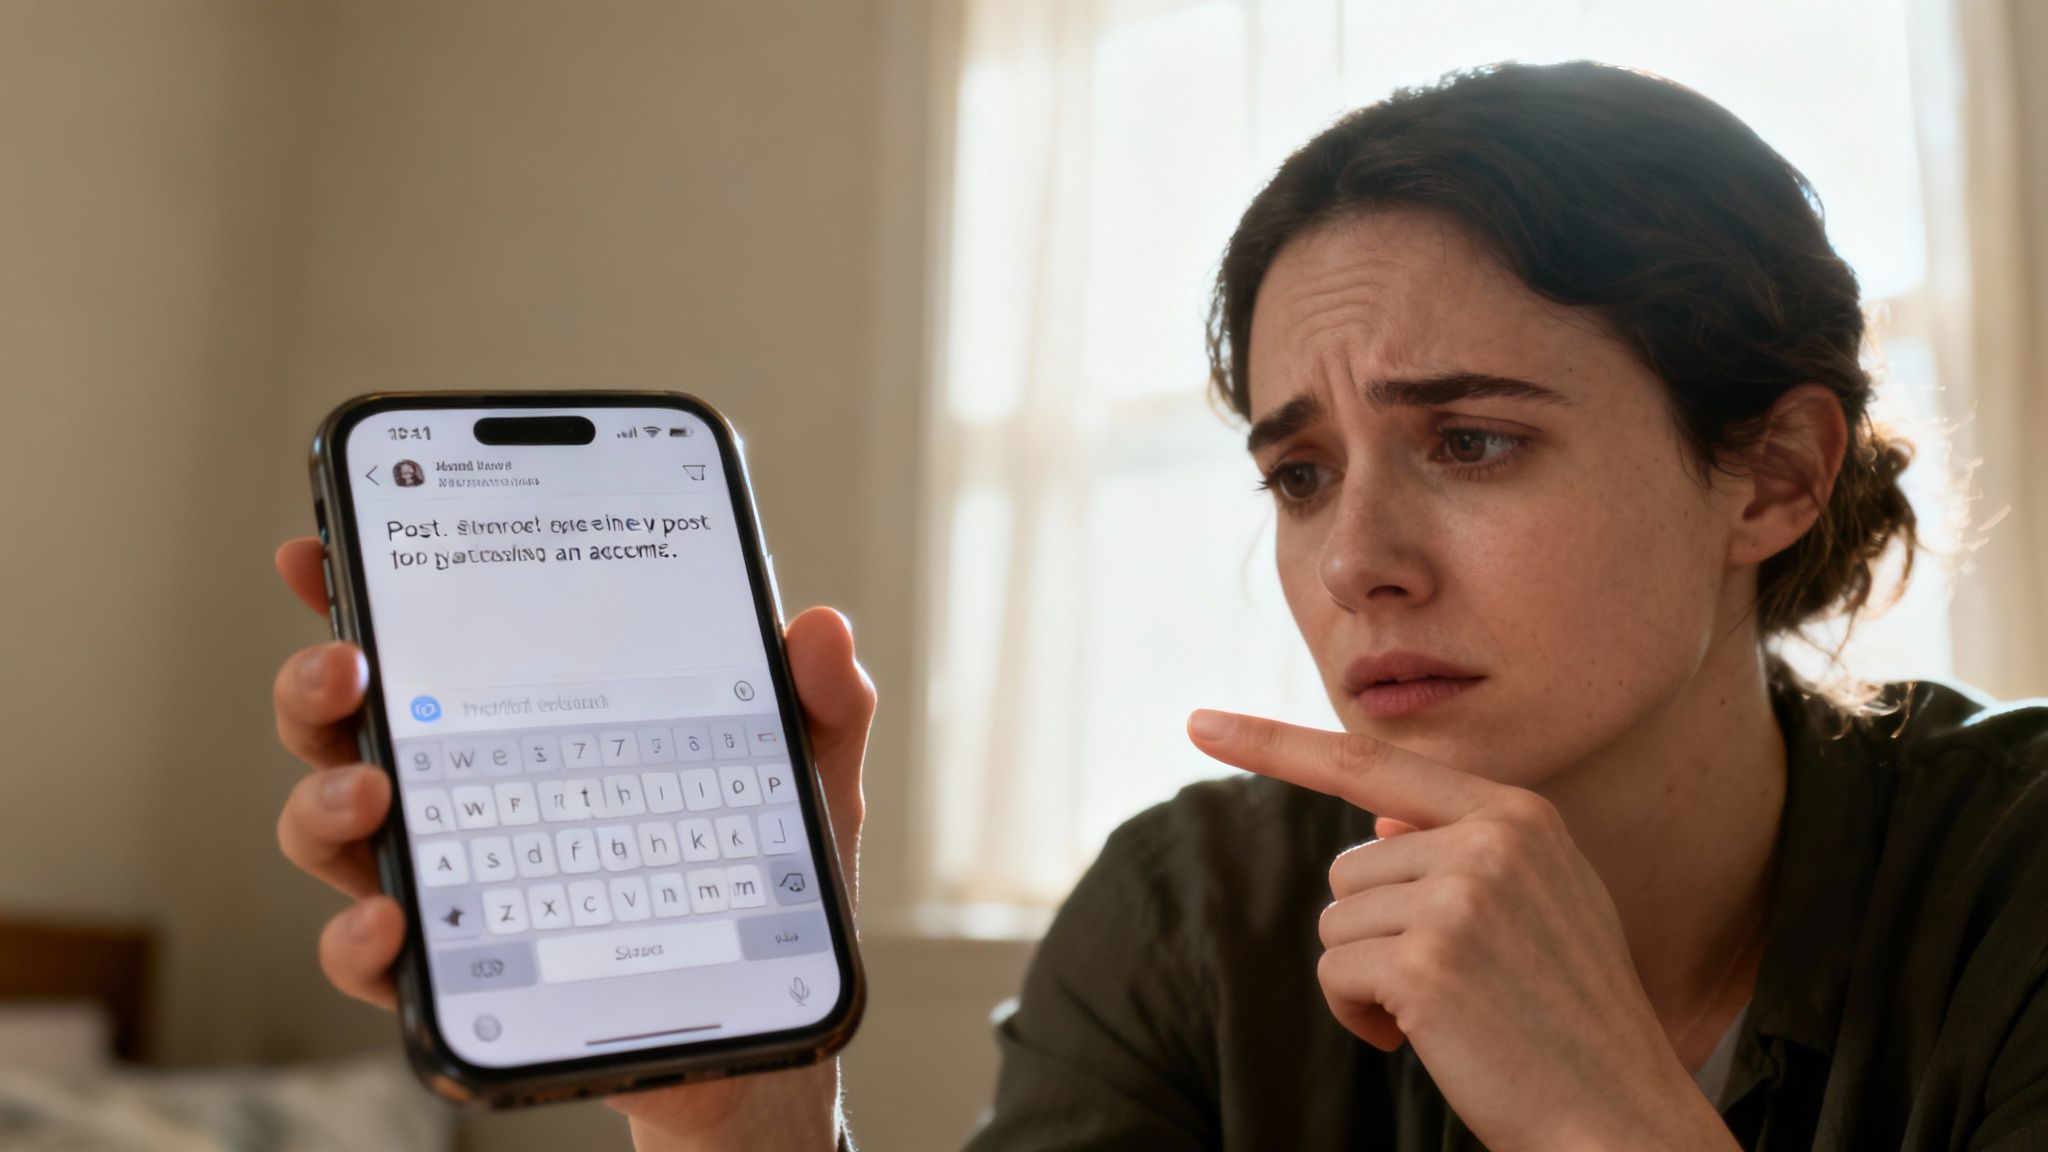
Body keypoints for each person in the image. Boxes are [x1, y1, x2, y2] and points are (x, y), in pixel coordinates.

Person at [269, 62, 2048, 1150]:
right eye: (1297, 474)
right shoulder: (1203, 916)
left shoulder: (2015, 880)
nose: (1359, 561)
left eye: (1479, 441)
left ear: (1774, 476)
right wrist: (737, 1102)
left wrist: (1600, 1118)